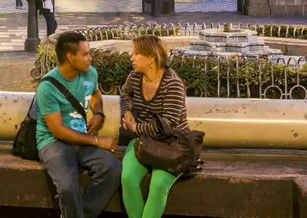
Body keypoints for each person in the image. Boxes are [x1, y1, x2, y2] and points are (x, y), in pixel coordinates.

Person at [36, 31, 119, 218]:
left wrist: (98, 113)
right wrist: (97, 140)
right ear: (69, 57)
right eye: (85, 54)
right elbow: (57, 131)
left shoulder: (90, 74)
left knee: (112, 168)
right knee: (67, 187)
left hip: (81, 140)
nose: (91, 57)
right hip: (53, 143)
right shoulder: (47, 86)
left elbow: (97, 95)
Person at [119, 35, 191, 218]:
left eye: (136, 54)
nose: (131, 58)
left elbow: (167, 125)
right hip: (144, 142)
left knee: (158, 185)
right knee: (127, 178)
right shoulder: (135, 77)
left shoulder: (172, 84)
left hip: (172, 144)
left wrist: (135, 128)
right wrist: (127, 111)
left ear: (152, 58)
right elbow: (125, 93)